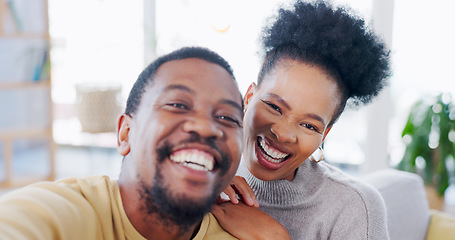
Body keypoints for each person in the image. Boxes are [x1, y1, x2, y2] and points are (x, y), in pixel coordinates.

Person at [0, 46, 270, 239]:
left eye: (227, 117)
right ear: (125, 134)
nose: (206, 127)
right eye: (177, 104)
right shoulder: (63, 216)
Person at [212, 1, 392, 239]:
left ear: (324, 134)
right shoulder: (206, 171)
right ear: (248, 97)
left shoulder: (354, 209)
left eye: (309, 125)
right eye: (274, 106)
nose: (284, 134)